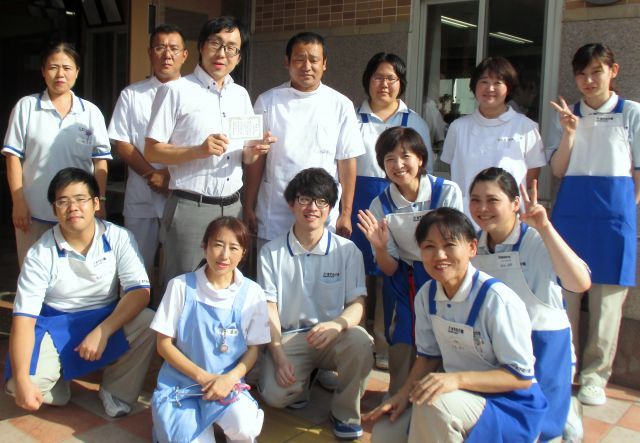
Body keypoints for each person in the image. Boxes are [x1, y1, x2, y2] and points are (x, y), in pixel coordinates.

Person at [365, 207, 547, 443]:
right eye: (429, 247)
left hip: (510, 406)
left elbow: (520, 377)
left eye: (449, 245)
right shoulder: (426, 295)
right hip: (457, 395)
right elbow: (428, 358)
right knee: (385, 434)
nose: (439, 255)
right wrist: (402, 395)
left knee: (435, 404)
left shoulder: (497, 300)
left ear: (472, 247)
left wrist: (457, 379)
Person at [5, 167, 155, 418]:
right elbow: (23, 319)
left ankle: (116, 391)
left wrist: (103, 330)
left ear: (96, 203)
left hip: (104, 317)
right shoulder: (40, 253)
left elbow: (140, 292)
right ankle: (59, 383)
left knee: (149, 321)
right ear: (54, 210)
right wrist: (21, 379)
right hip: (55, 324)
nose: (72, 207)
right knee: (19, 385)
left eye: (80, 199)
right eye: (63, 201)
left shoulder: (118, 237)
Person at [144, 16, 273, 294]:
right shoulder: (175, 91)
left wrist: (254, 150)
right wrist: (198, 151)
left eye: (231, 48)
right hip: (191, 207)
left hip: (233, 207)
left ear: (239, 56)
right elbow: (152, 149)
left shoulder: (240, 95)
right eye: (216, 43)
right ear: (202, 46)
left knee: (223, 288)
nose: (222, 53)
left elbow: (244, 157)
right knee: (181, 288)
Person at [469, 167, 591, 442]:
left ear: (515, 204)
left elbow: (580, 282)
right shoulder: (474, 246)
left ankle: (567, 414)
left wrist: (545, 228)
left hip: (544, 344)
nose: (482, 208)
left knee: (543, 429)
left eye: (492, 200)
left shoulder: (537, 239)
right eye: (475, 200)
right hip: (497, 344)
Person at [548, 43, 640, 407]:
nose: (588, 80)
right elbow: (558, 170)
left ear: (613, 72)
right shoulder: (567, 113)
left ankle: (594, 377)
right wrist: (569, 133)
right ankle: (563, 367)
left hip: (614, 221)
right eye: (582, 74)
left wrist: (626, 212)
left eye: (596, 72)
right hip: (570, 217)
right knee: (564, 298)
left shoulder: (631, 112)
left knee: (607, 305)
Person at [257, 168, 373, 440]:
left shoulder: (347, 251)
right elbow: (269, 310)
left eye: (321, 201)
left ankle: (345, 412)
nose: (312, 208)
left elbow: (357, 303)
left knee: (361, 342)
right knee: (275, 396)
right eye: (305, 199)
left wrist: (337, 325)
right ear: (291, 204)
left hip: (333, 335)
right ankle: (305, 379)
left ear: (330, 208)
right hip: (291, 337)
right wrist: (278, 355)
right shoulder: (271, 252)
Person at [357, 127, 462, 396]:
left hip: (444, 277)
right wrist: (380, 247)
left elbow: (456, 249)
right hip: (405, 278)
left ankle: (441, 399)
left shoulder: (446, 192)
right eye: (389, 159)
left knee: (446, 337)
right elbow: (390, 267)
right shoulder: (380, 204)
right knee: (402, 335)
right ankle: (398, 398)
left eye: (405, 156)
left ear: (421, 159)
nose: (398, 165)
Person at [151, 216, 269, 443]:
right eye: (218, 245)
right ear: (204, 246)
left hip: (228, 386)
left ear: (243, 253)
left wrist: (229, 379)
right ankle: (169, 424)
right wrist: (203, 377)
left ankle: (218, 422)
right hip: (182, 386)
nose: (224, 255)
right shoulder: (180, 286)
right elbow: (163, 344)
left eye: (233, 248)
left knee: (245, 429)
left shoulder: (252, 293)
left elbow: (254, 349)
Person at [352, 53, 434, 370]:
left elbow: (424, 171)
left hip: (400, 207)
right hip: (358, 205)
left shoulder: (415, 122)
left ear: (401, 83)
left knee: (391, 274)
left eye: (391, 78)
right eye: (378, 77)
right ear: (367, 81)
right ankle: (359, 339)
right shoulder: (352, 117)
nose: (384, 84)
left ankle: (386, 342)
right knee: (358, 274)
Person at [246, 31, 365, 246]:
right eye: (299, 59)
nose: (307, 66)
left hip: (321, 213)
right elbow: (257, 159)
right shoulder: (267, 101)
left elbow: (347, 161)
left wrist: (346, 212)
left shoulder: (341, 105)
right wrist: (248, 204)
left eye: (314, 60)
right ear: (287, 62)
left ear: (324, 63)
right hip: (275, 212)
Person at [3, 42, 111, 266]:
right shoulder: (26, 107)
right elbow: (13, 157)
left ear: (77, 72)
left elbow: (100, 162)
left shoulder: (91, 112)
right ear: (43, 71)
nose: (60, 74)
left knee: (76, 275)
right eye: (53, 67)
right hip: (34, 212)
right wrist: (18, 201)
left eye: (67, 67)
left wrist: (99, 201)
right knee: (34, 273)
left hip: (78, 212)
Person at [108, 24, 188, 290]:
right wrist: (152, 174)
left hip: (181, 193)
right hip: (141, 193)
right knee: (136, 267)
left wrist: (169, 176)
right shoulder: (132, 95)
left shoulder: (196, 94)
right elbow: (122, 143)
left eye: (174, 48)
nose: (167, 54)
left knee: (179, 269)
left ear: (185, 55)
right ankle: (136, 314)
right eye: (160, 47)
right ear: (150, 52)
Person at [441, 56, 546, 219]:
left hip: (509, 219)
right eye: (484, 81)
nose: (490, 88)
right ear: (474, 86)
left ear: (509, 88)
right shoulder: (458, 127)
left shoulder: (526, 127)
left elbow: (532, 175)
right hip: (466, 218)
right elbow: (452, 168)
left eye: (498, 83)